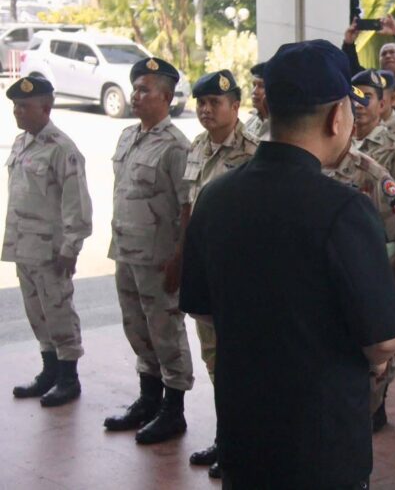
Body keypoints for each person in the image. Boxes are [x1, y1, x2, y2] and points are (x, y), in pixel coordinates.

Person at [179, 39, 395, 488]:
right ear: (336, 116)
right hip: (320, 444)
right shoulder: (344, 209)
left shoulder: (215, 196)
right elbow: (384, 340)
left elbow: (202, 309)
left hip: (244, 435)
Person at [103, 57, 194, 445]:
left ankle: (173, 410)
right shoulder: (128, 136)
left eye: (144, 90)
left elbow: (188, 206)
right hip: (127, 250)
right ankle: (148, 399)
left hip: (160, 258)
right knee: (137, 327)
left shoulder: (176, 146)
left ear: (167, 98)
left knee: (165, 330)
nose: (136, 95)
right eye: (135, 88)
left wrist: (180, 258)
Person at [183, 70, 258, 479]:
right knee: (214, 361)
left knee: (240, 365)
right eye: (201, 103)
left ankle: (241, 444)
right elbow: (189, 208)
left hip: (239, 277)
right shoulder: (197, 147)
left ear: (235, 106)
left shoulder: (253, 152)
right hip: (206, 273)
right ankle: (225, 437)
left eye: (215, 102)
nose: (206, 109)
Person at [4, 76, 92, 407]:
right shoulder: (21, 143)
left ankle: (69, 377)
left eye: (24, 106)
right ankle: (50, 371)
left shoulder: (62, 149)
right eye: (15, 106)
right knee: (36, 312)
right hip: (24, 245)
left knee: (58, 311)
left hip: (51, 250)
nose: (18, 112)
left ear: (46, 107)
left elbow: (77, 204)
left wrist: (71, 248)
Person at [324, 135, 395, 432]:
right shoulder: (302, 167)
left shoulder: (370, 174)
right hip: (317, 314)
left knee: (356, 416)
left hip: (357, 312)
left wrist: (389, 303)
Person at [352, 69, 395, 217]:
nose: (358, 104)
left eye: (366, 97)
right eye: (354, 97)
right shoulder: (340, 143)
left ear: (381, 105)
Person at [243, 61, 269, 141]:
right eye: (254, 85)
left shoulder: (281, 127)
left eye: (261, 86)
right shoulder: (252, 120)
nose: (254, 91)